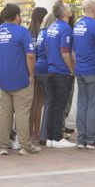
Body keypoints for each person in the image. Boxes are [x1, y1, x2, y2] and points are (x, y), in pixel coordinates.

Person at [0, 3, 41, 156]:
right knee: (22, 112)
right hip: (21, 79)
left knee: (5, 113)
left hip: (4, 79)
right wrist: (31, 74)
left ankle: (3, 146)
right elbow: (31, 56)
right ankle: (25, 146)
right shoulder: (22, 32)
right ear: (17, 16)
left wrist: (1, 71)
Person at [73, 0, 95, 150]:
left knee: (82, 104)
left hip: (80, 70)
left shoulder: (77, 26)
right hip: (94, 69)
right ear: (94, 9)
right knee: (93, 105)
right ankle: (91, 138)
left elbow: (73, 51)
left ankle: (81, 139)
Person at [45, 0, 77, 148]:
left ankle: (51, 137)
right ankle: (57, 138)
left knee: (52, 105)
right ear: (65, 13)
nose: (70, 9)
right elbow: (65, 51)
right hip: (61, 72)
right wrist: (71, 70)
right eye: (68, 7)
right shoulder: (66, 29)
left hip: (51, 70)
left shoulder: (52, 27)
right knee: (60, 105)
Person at [36, 13, 56, 146]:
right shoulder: (50, 33)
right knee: (49, 102)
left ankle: (43, 133)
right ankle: (45, 134)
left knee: (44, 103)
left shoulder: (41, 33)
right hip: (47, 69)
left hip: (38, 68)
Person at [28, 7, 48, 141]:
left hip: (29, 68)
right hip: (40, 68)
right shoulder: (43, 33)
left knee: (31, 103)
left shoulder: (27, 32)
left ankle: (29, 131)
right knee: (40, 102)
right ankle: (37, 132)